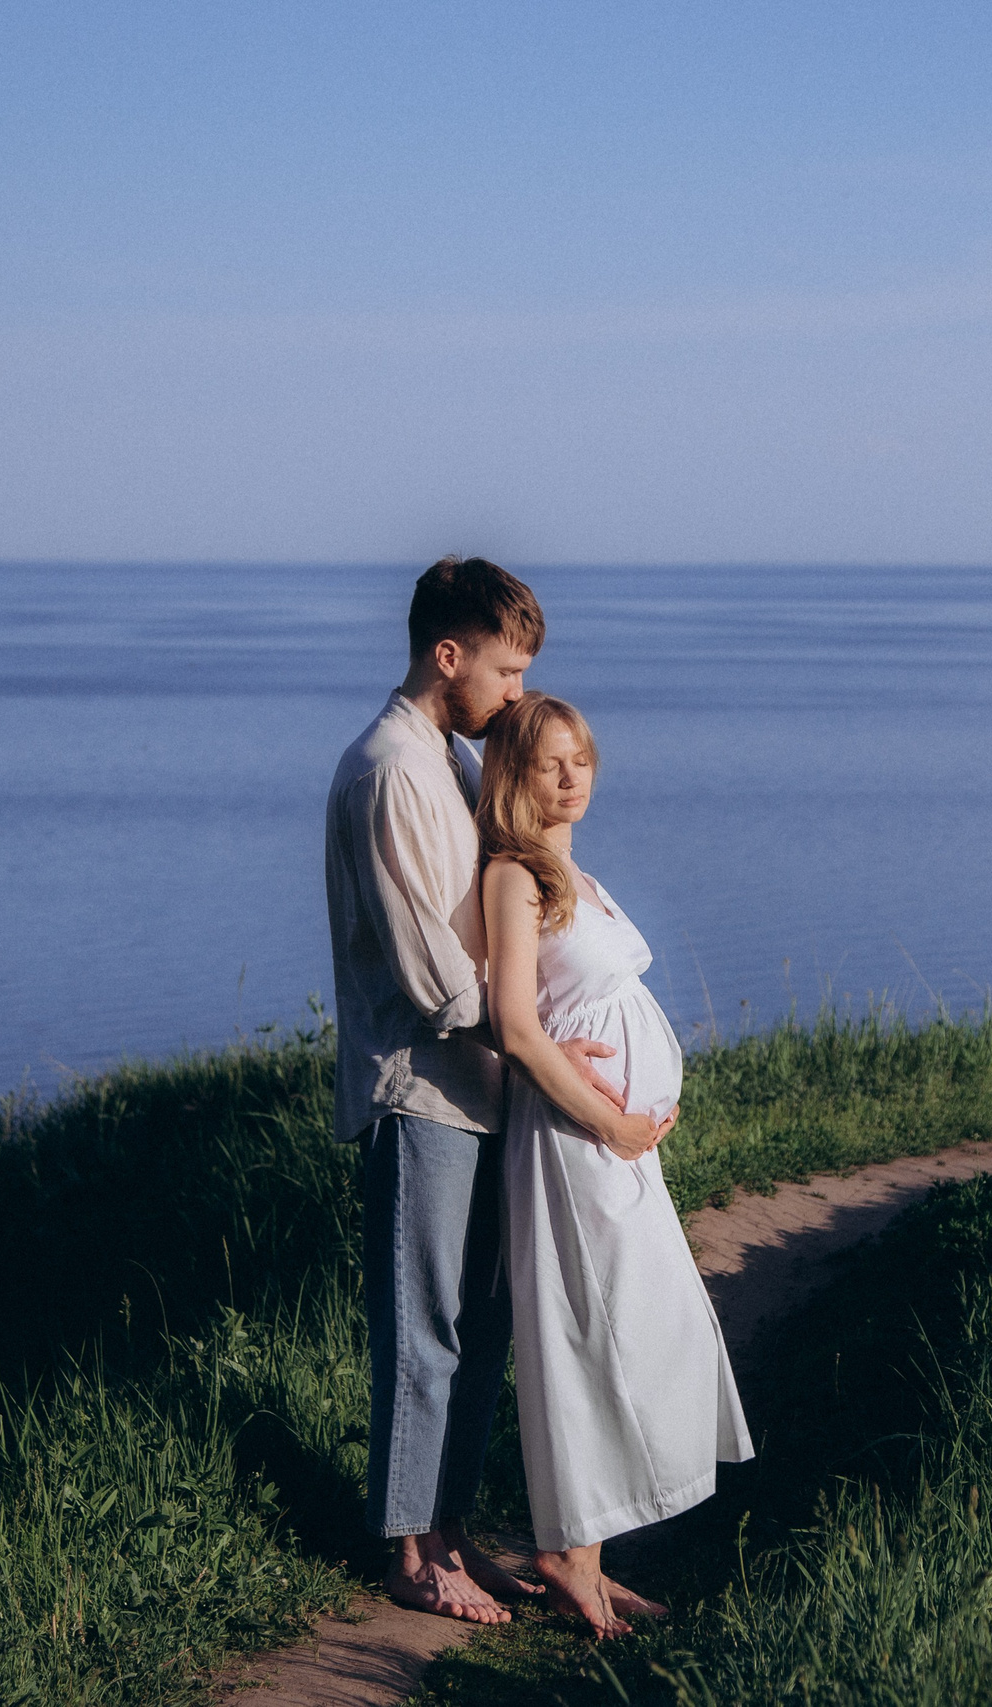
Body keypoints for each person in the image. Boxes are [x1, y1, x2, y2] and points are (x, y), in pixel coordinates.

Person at [322, 558, 632, 1624]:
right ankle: (411, 1552)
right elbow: (430, 976)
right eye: (504, 668)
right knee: (427, 1326)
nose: (513, 691)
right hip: (424, 1093)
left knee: (484, 1324)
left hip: (484, 1090)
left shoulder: (450, 760)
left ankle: (449, 1532)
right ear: (445, 655)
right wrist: (537, 1037)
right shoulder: (395, 772)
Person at [478, 695, 754, 1640]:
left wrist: (635, 1121)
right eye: (552, 763)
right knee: (592, 1332)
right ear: (515, 775)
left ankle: (590, 1555)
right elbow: (518, 1024)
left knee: (645, 1326)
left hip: (614, 1144)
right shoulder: (515, 877)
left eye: (582, 759)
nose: (572, 777)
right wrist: (609, 1119)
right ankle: (567, 1553)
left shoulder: (573, 873)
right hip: (574, 1142)